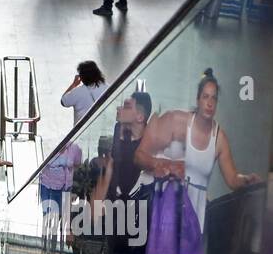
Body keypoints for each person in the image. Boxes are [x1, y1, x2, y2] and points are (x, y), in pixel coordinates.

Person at [135, 68, 258, 230]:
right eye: (206, 97)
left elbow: (232, 179)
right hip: (164, 213)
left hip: (193, 221)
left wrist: (246, 180)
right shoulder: (176, 121)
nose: (210, 103)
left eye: (214, 98)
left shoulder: (219, 138)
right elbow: (139, 156)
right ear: (198, 99)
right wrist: (164, 165)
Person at [102, 92, 153, 204]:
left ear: (140, 117)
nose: (119, 108)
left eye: (127, 107)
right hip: (113, 203)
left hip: (137, 205)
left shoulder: (150, 145)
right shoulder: (118, 128)